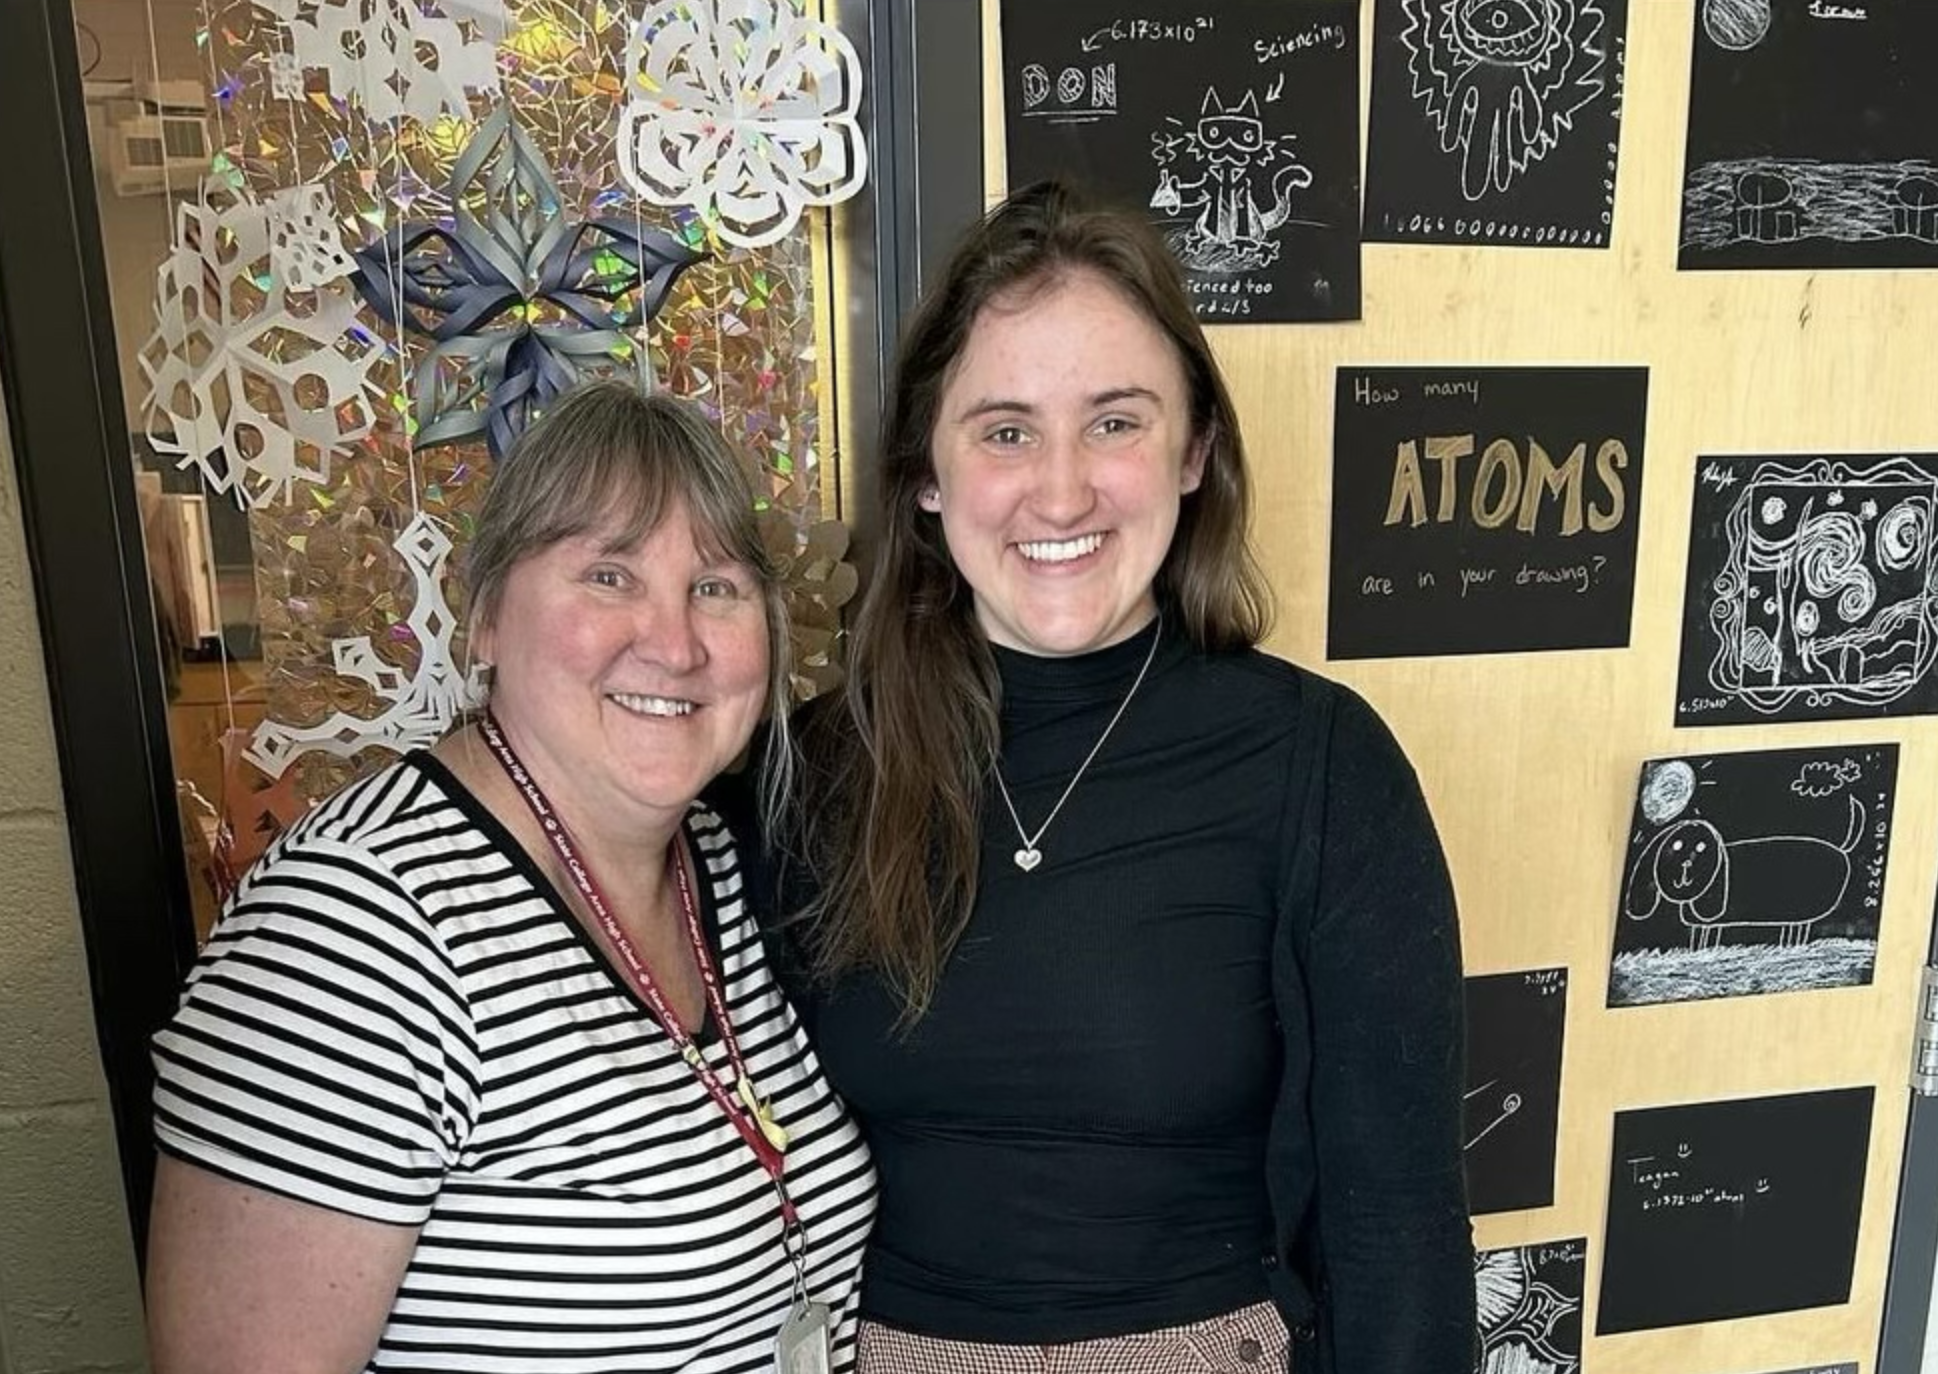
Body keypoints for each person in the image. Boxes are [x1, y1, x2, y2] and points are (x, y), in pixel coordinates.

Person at [778, 180, 1473, 1374]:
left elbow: (1397, 1220)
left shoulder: (1321, 768)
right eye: (1005, 430)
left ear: (1195, 449)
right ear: (926, 475)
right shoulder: (812, 773)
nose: (1059, 490)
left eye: (1115, 422)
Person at [145, 382, 877, 1374]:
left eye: (715, 587)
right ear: (485, 616)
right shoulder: (355, 935)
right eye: (609, 576)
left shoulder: (721, 863)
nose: (673, 643)